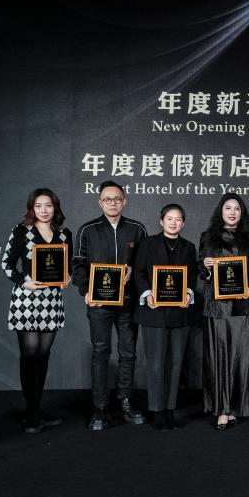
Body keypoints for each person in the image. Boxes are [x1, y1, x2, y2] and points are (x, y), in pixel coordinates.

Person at [71, 180, 148, 431]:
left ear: (124, 201)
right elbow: (78, 265)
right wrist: (86, 289)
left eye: (117, 199)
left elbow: (146, 265)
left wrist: (133, 272)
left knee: (128, 353)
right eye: (107, 199)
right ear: (100, 202)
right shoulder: (87, 230)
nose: (112, 203)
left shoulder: (137, 229)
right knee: (100, 352)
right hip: (99, 303)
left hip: (128, 302)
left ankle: (125, 401)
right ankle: (100, 407)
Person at [1, 188, 72, 434]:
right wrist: (24, 282)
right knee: (29, 356)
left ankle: (36, 410)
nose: (44, 210)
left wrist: (67, 278)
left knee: (43, 356)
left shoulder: (64, 235)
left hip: (52, 300)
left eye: (48, 205)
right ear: (32, 208)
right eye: (38, 206)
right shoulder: (21, 231)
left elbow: (67, 266)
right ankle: (32, 414)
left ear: (56, 207)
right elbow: (7, 264)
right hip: (27, 299)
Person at [197, 193, 249, 430]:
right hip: (217, 306)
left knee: (239, 358)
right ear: (220, 211)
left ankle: (236, 407)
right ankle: (222, 410)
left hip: (242, 304)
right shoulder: (208, 237)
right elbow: (201, 271)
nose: (232, 212)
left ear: (242, 213)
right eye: (228, 208)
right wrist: (206, 267)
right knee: (219, 358)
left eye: (237, 209)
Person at [133, 203, 197, 430]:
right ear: (161, 221)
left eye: (178, 219)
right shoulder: (148, 244)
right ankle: (157, 410)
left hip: (179, 313)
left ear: (183, 223)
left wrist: (188, 293)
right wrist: (147, 294)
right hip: (154, 312)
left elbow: (191, 277)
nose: (173, 222)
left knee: (176, 363)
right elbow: (139, 272)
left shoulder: (189, 247)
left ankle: (170, 409)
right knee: (156, 364)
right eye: (169, 218)